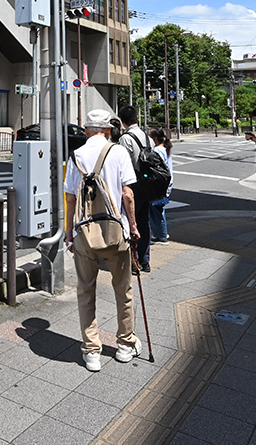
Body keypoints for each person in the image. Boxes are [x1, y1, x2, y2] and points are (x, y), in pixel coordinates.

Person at [64, 108, 140, 372]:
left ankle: (91, 351)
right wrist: (133, 225)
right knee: (123, 289)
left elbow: (71, 198)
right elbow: (127, 194)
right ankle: (125, 345)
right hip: (115, 231)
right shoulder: (118, 152)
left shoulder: (76, 155)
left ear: (86, 130)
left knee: (86, 290)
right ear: (108, 130)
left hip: (84, 233)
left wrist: (69, 232)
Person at [117, 105, 153, 273]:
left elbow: (123, 164)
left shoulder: (126, 139)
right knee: (144, 222)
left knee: (130, 222)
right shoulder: (147, 137)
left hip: (132, 185)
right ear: (137, 118)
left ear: (122, 121)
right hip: (147, 185)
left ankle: (133, 261)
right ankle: (145, 260)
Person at [147, 127, 174, 244]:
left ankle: (162, 235)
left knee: (156, 210)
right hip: (166, 183)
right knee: (158, 210)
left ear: (155, 139)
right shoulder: (165, 149)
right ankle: (160, 233)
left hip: (159, 185)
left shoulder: (157, 151)